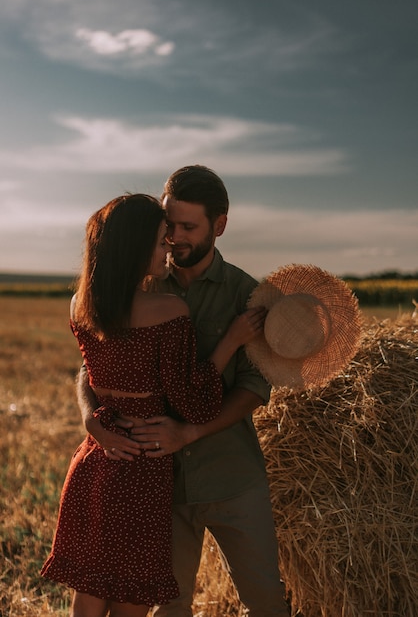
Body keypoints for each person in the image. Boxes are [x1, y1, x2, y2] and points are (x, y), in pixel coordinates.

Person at [77, 167, 290, 616]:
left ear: (221, 225)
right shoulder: (143, 280)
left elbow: (254, 387)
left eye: (187, 228)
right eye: (168, 226)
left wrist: (188, 434)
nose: (173, 239)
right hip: (159, 482)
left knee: (267, 602)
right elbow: (91, 366)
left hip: (231, 476)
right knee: (169, 607)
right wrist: (88, 418)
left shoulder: (247, 295)